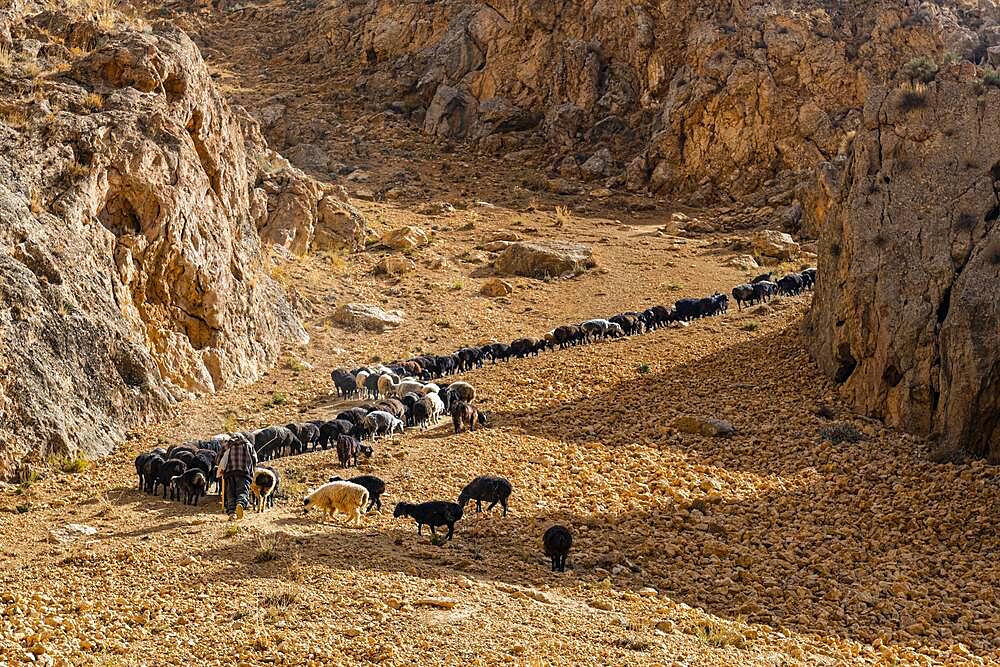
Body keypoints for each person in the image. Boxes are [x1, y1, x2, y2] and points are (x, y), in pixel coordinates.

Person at [220, 433, 257, 520]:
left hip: (229, 473)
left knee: (230, 493)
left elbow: (219, 459)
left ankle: (232, 513)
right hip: (244, 473)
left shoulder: (227, 445)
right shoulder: (248, 445)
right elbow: (255, 459)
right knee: (242, 491)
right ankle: (240, 504)